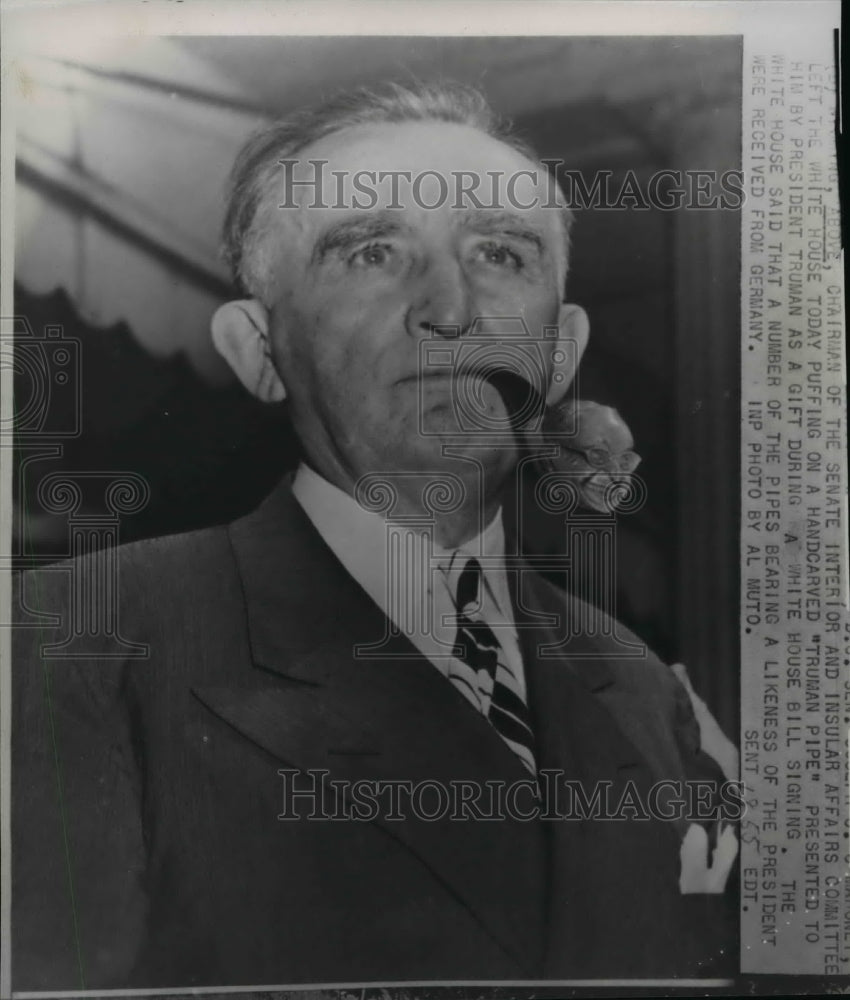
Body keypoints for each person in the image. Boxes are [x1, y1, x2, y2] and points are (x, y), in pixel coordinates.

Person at [12, 80, 738, 991]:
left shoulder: (637, 685)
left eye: (501, 253)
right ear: (259, 353)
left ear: (557, 357)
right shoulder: (69, 648)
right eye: (370, 251)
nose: (451, 309)